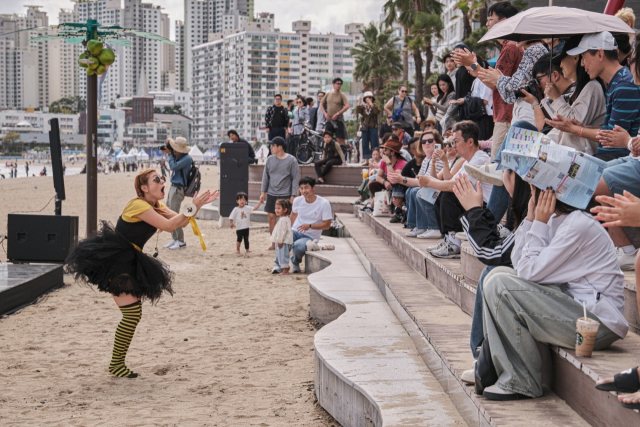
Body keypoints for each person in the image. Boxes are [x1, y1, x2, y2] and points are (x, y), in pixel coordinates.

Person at [478, 186, 627, 401]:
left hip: (597, 325)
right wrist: (530, 220)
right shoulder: (556, 220)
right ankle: (497, 367)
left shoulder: (578, 224)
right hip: (576, 311)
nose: (530, 193)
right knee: (497, 275)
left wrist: (537, 223)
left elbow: (528, 273)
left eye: (533, 187)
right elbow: (518, 264)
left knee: (500, 282)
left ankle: (521, 381)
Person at [65, 169, 218, 378]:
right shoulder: (138, 205)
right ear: (144, 188)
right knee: (131, 315)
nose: (162, 181)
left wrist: (196, 206)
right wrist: (194, 206)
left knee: (132, 314)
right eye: (157, 179)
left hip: (130, 258)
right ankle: (116, 364)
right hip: (116, 260)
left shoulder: (156, 205)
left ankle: (117, 364)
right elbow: (169, 225)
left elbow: (181, 221)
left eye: (162, 178)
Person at [549, 31, 640, 161]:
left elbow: (613, 137)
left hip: (617, 158)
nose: (582, 63)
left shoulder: (624, 85)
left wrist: (576, 129)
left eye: (584, 57)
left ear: (600, 54)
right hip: (610, 156)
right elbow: (610, 129)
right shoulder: (617, 81)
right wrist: (581, 127)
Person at [452, 1, 522, 160]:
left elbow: (495, 83)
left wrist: (473, 65)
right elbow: (495, 81)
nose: (487, 23)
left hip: (507, 116)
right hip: (505, 115)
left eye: (490, 19)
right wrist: (475, 68)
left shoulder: (510, 46)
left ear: (503, 21)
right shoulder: (508, 46)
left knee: (497, 165)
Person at [418, 121, 493, 258]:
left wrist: (429, 181)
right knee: (441, 193)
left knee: (450, 193)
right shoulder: (467, 161)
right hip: (473, 206)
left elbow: (452, 185)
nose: (453, 146)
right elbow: (448, 181)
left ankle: (454, 243)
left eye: (456, 141)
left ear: (470, 142)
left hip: (485, 209)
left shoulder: (480, 159)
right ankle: (449, 238)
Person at [522, 47, 606, 154]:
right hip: (568, 151)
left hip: (580, 156)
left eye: (561, 60)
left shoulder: (592, 87)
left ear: (575, 58)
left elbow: (572, 124)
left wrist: (557, 98)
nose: (560, 65)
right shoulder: (580, 89)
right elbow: (560, 129)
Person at [274, 177, 332, 274]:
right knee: (280, 238)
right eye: (301, 188)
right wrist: (286, 231)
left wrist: (310, 226)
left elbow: (327, 225)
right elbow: (292, 217)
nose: (303, 191)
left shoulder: (324, 203)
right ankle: (279, 265)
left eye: (306, 188)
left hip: (310, 236)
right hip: (295, 231)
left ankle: (295, 263)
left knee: (298, 246)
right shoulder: (297, 201)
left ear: (313, 188)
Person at [395, 132, 445, 239]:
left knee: (416, 191)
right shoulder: (426, 159)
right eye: (423, 141)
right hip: (430, 185)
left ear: (437, 142)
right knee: (411, 191)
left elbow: (430, 180)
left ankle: (434, 227)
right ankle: (419, 225)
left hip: (438, 188)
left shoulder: (439, 158)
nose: (426, 143)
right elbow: (420, 180)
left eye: (430, 141)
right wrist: (402, 180)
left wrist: (402, 180)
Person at [260, 137, 300, 251]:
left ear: (280, 147)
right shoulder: (269, 159)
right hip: (272, 193)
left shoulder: (292, 160)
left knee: (285, 220)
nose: (271, 147)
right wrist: (263, 192)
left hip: (285, 194)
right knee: (271, 217)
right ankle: (274, 243)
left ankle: (284, 243)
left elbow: (295, 178)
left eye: (273, 145)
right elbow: (265, 177)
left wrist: (293, 195)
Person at [161, 137, 193, 250]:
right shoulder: (179, 156)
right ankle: (174, 239)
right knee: (169, 214)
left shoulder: (187, 158)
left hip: (178, 189)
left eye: (175, 148)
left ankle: (181, 241)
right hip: (173, 187)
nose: (174, 150)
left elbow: (173, 166)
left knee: (175, 215)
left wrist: (170, 154)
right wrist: (171, 152)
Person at [367, 136, 407, 222]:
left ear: (392, 152)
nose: (383, 152)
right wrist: (384, 182)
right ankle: (389, 207)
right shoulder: (384, 162)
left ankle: (398, 211)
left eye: (386, 150)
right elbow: (378, 177)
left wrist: (388, 162)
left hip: (401, 187)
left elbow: (394, 178)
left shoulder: (402, 163)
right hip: (389, 186)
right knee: (372, 185)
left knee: (396, 184)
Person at [458, 56, 494, 141]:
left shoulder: (484, 78)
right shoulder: (476, 80)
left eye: (469, 68)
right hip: (479, 116)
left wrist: (466, 101)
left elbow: (484, 101)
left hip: (486, 116)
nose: (468, 72)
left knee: (484, 142)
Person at [320, 78, 350, 146]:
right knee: (327, 139)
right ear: (333, 84)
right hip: (329, 120)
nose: (339, 85)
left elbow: (347, 106)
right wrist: (325, 114)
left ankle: (340, 155)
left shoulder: (342, 95)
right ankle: (328, 155)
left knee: (339, 140)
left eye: (340, 84)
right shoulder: (328, 94)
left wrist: (338, 113)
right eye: (337, 83)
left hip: (338, 120)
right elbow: (321, 104)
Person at [354, 91, 382, 160]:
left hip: (373, 127)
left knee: (374, 144)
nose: (368, 99)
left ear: (372, 98)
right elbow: (357, 111)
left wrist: (371, 104)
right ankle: (367, 160)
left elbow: (377, 111)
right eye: (367, 98)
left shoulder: (375, 106)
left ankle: (375, 159)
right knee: (365, 144)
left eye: (370, 97)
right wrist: (359, 103)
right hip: (365, 128)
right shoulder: (363, 107)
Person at [271, 199, 294, 276]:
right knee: (281, 254)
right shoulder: (285, 218)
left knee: (283, 255)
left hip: (283, 242)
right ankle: (285, 268)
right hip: (284, 241)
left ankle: (286, 270)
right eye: (276, 208)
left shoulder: (283, 220)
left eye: (279, 208)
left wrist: (280, 241)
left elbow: (282, 232)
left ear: (285, 210)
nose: (276, 210)